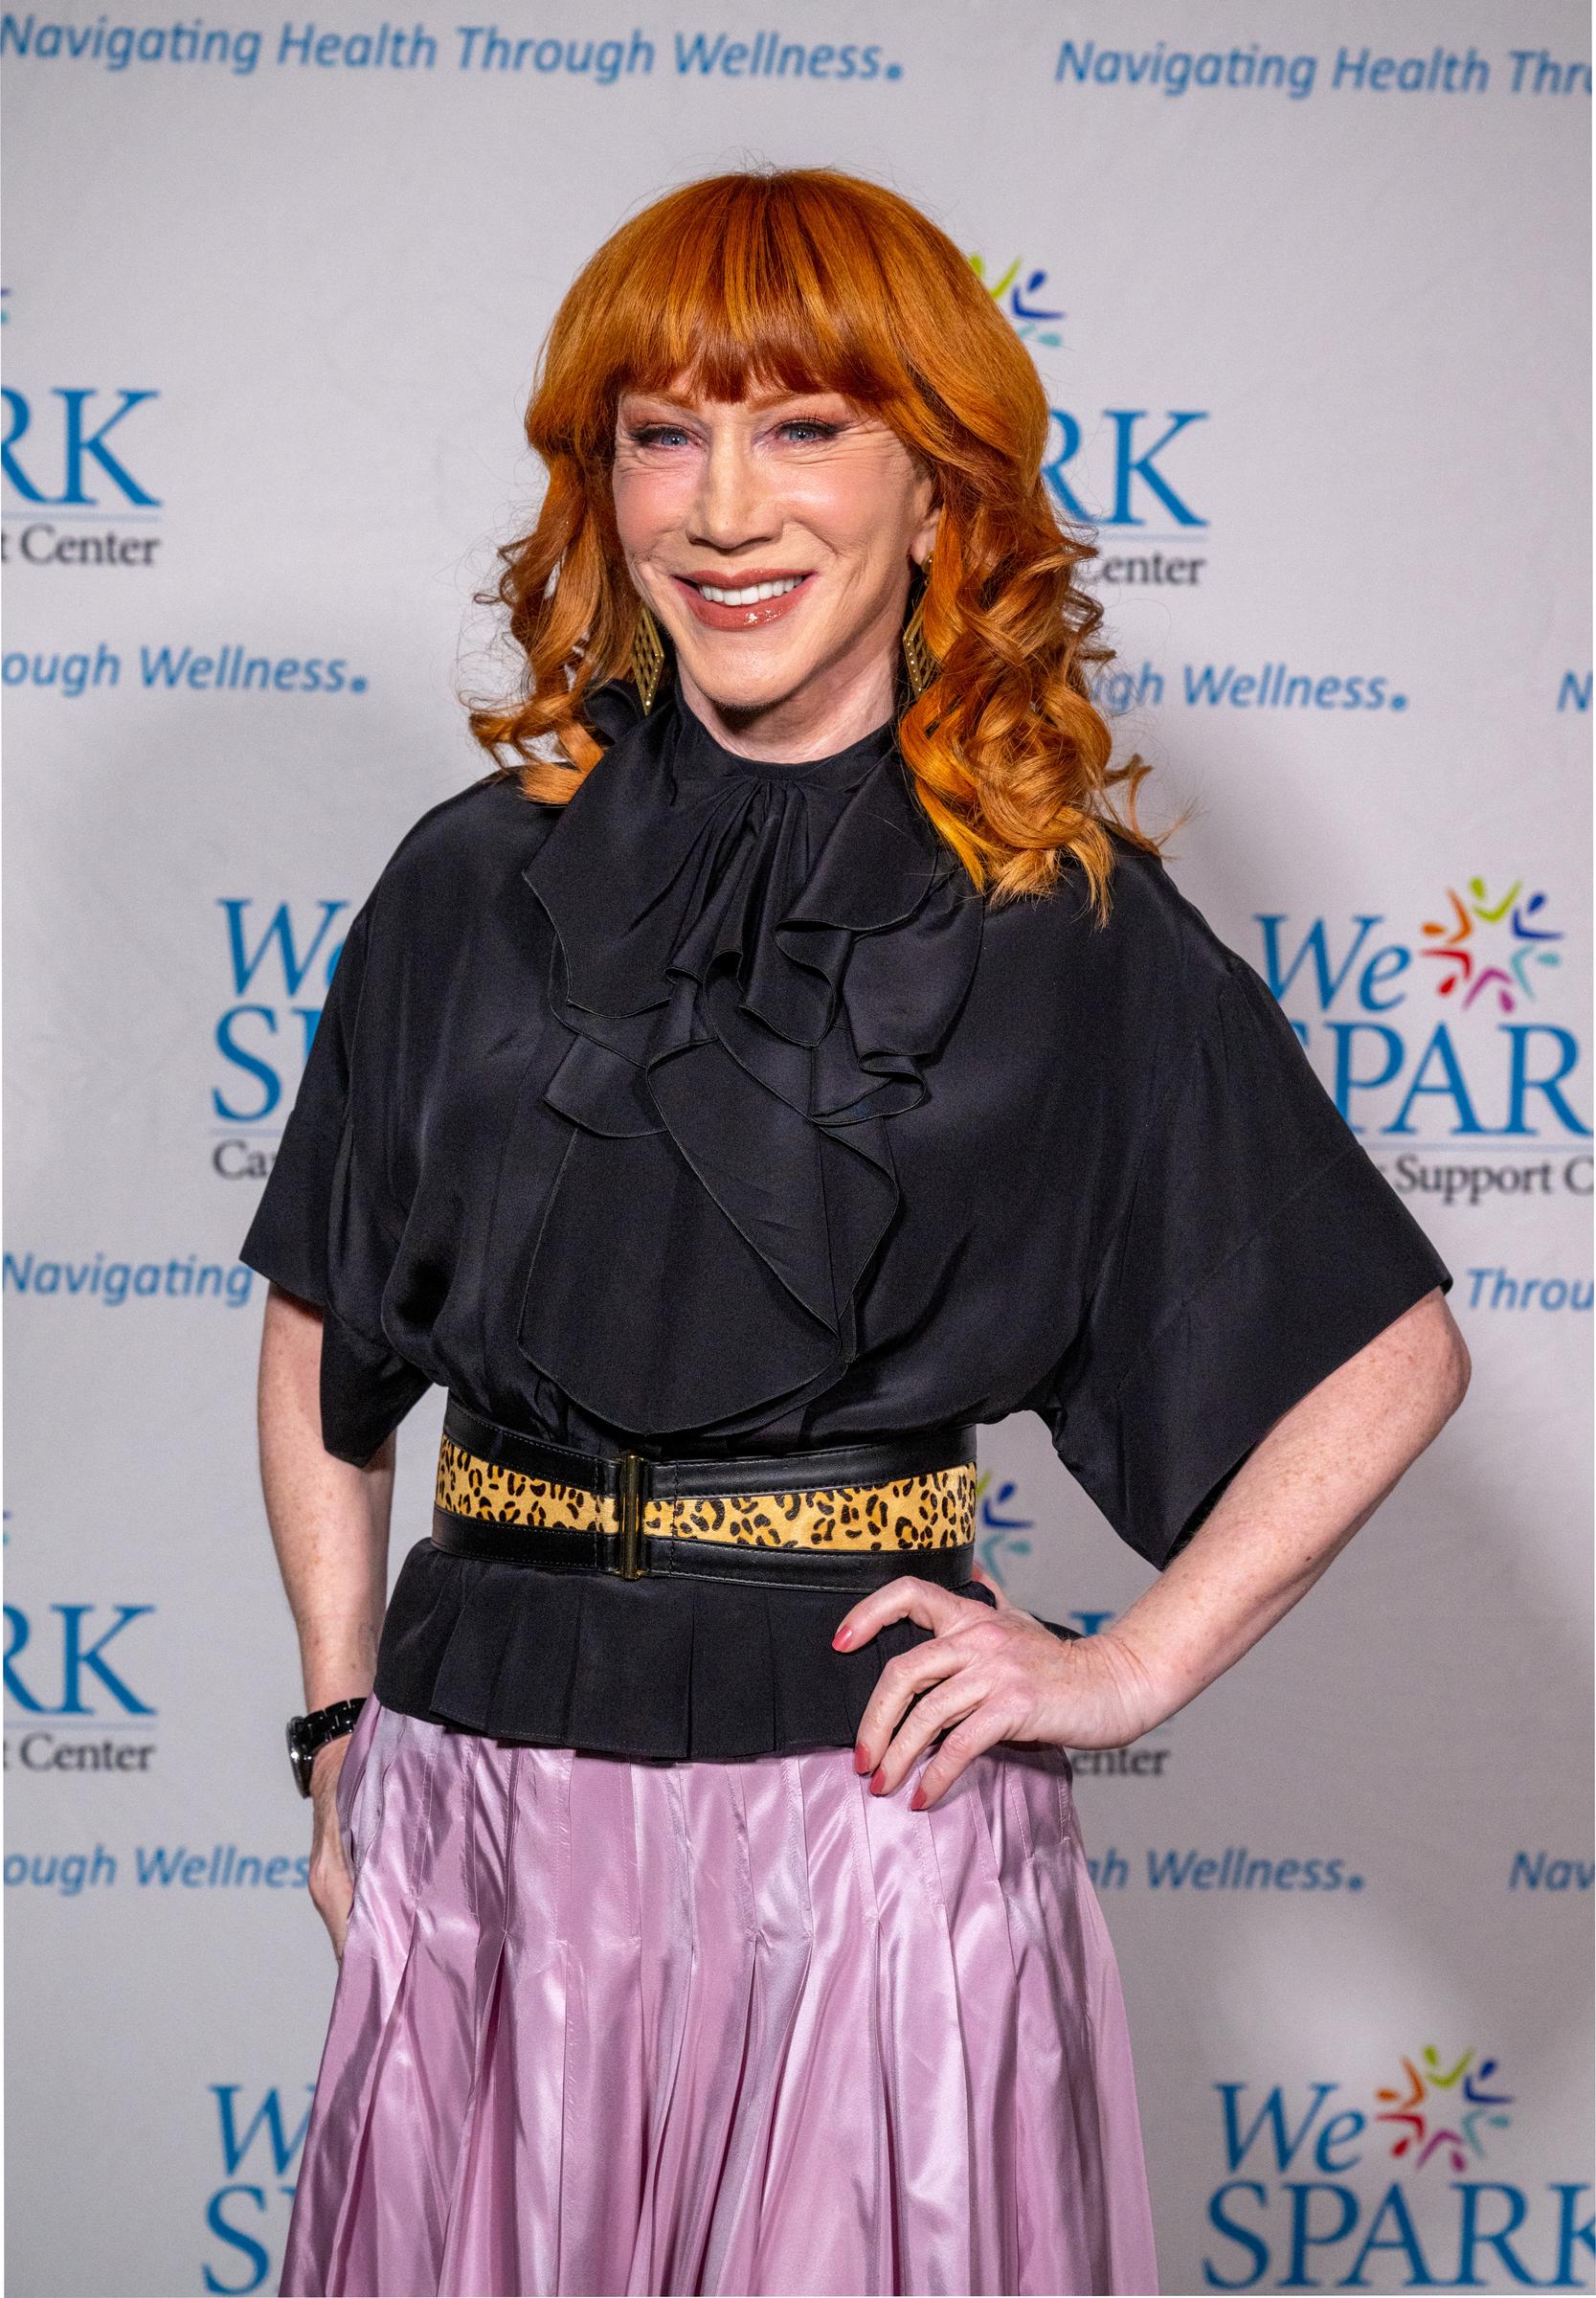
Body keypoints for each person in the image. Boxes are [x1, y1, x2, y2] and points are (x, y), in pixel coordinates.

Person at [243, 167, 1469, 2298]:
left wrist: (1129, 1667)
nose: (724, 509)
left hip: (862, 1838)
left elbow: (1389, 1352)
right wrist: (344, 1733)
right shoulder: (466, 879)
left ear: (939, 490)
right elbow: (322, 1331)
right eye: (661, 432)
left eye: (804, 427)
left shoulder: (1060, 920)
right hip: (493, 1815)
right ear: (601, 487)